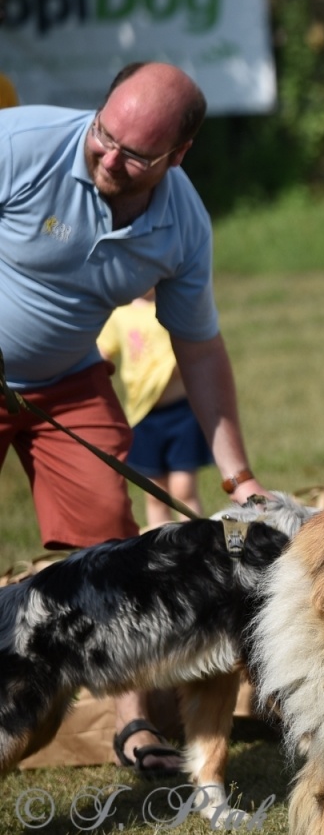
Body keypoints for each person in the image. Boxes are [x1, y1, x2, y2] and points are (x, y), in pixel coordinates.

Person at [0, 61, 268, 773]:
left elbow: (201, 349)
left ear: (177, 157)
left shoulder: (182, 224)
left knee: (109, 551)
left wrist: (239, 479)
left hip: (64, 382)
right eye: (104, 136)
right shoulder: (19, 145)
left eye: (136, 154)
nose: (110, 159)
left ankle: (135, 728)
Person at [98, 290, 209, 524]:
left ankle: (198, 546)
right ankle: (163, 550)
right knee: (155, 494)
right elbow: (102, 350)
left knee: (183, 490)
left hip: (182, 413)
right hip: (143, 415)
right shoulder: (119, 313)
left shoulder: (172, 304)